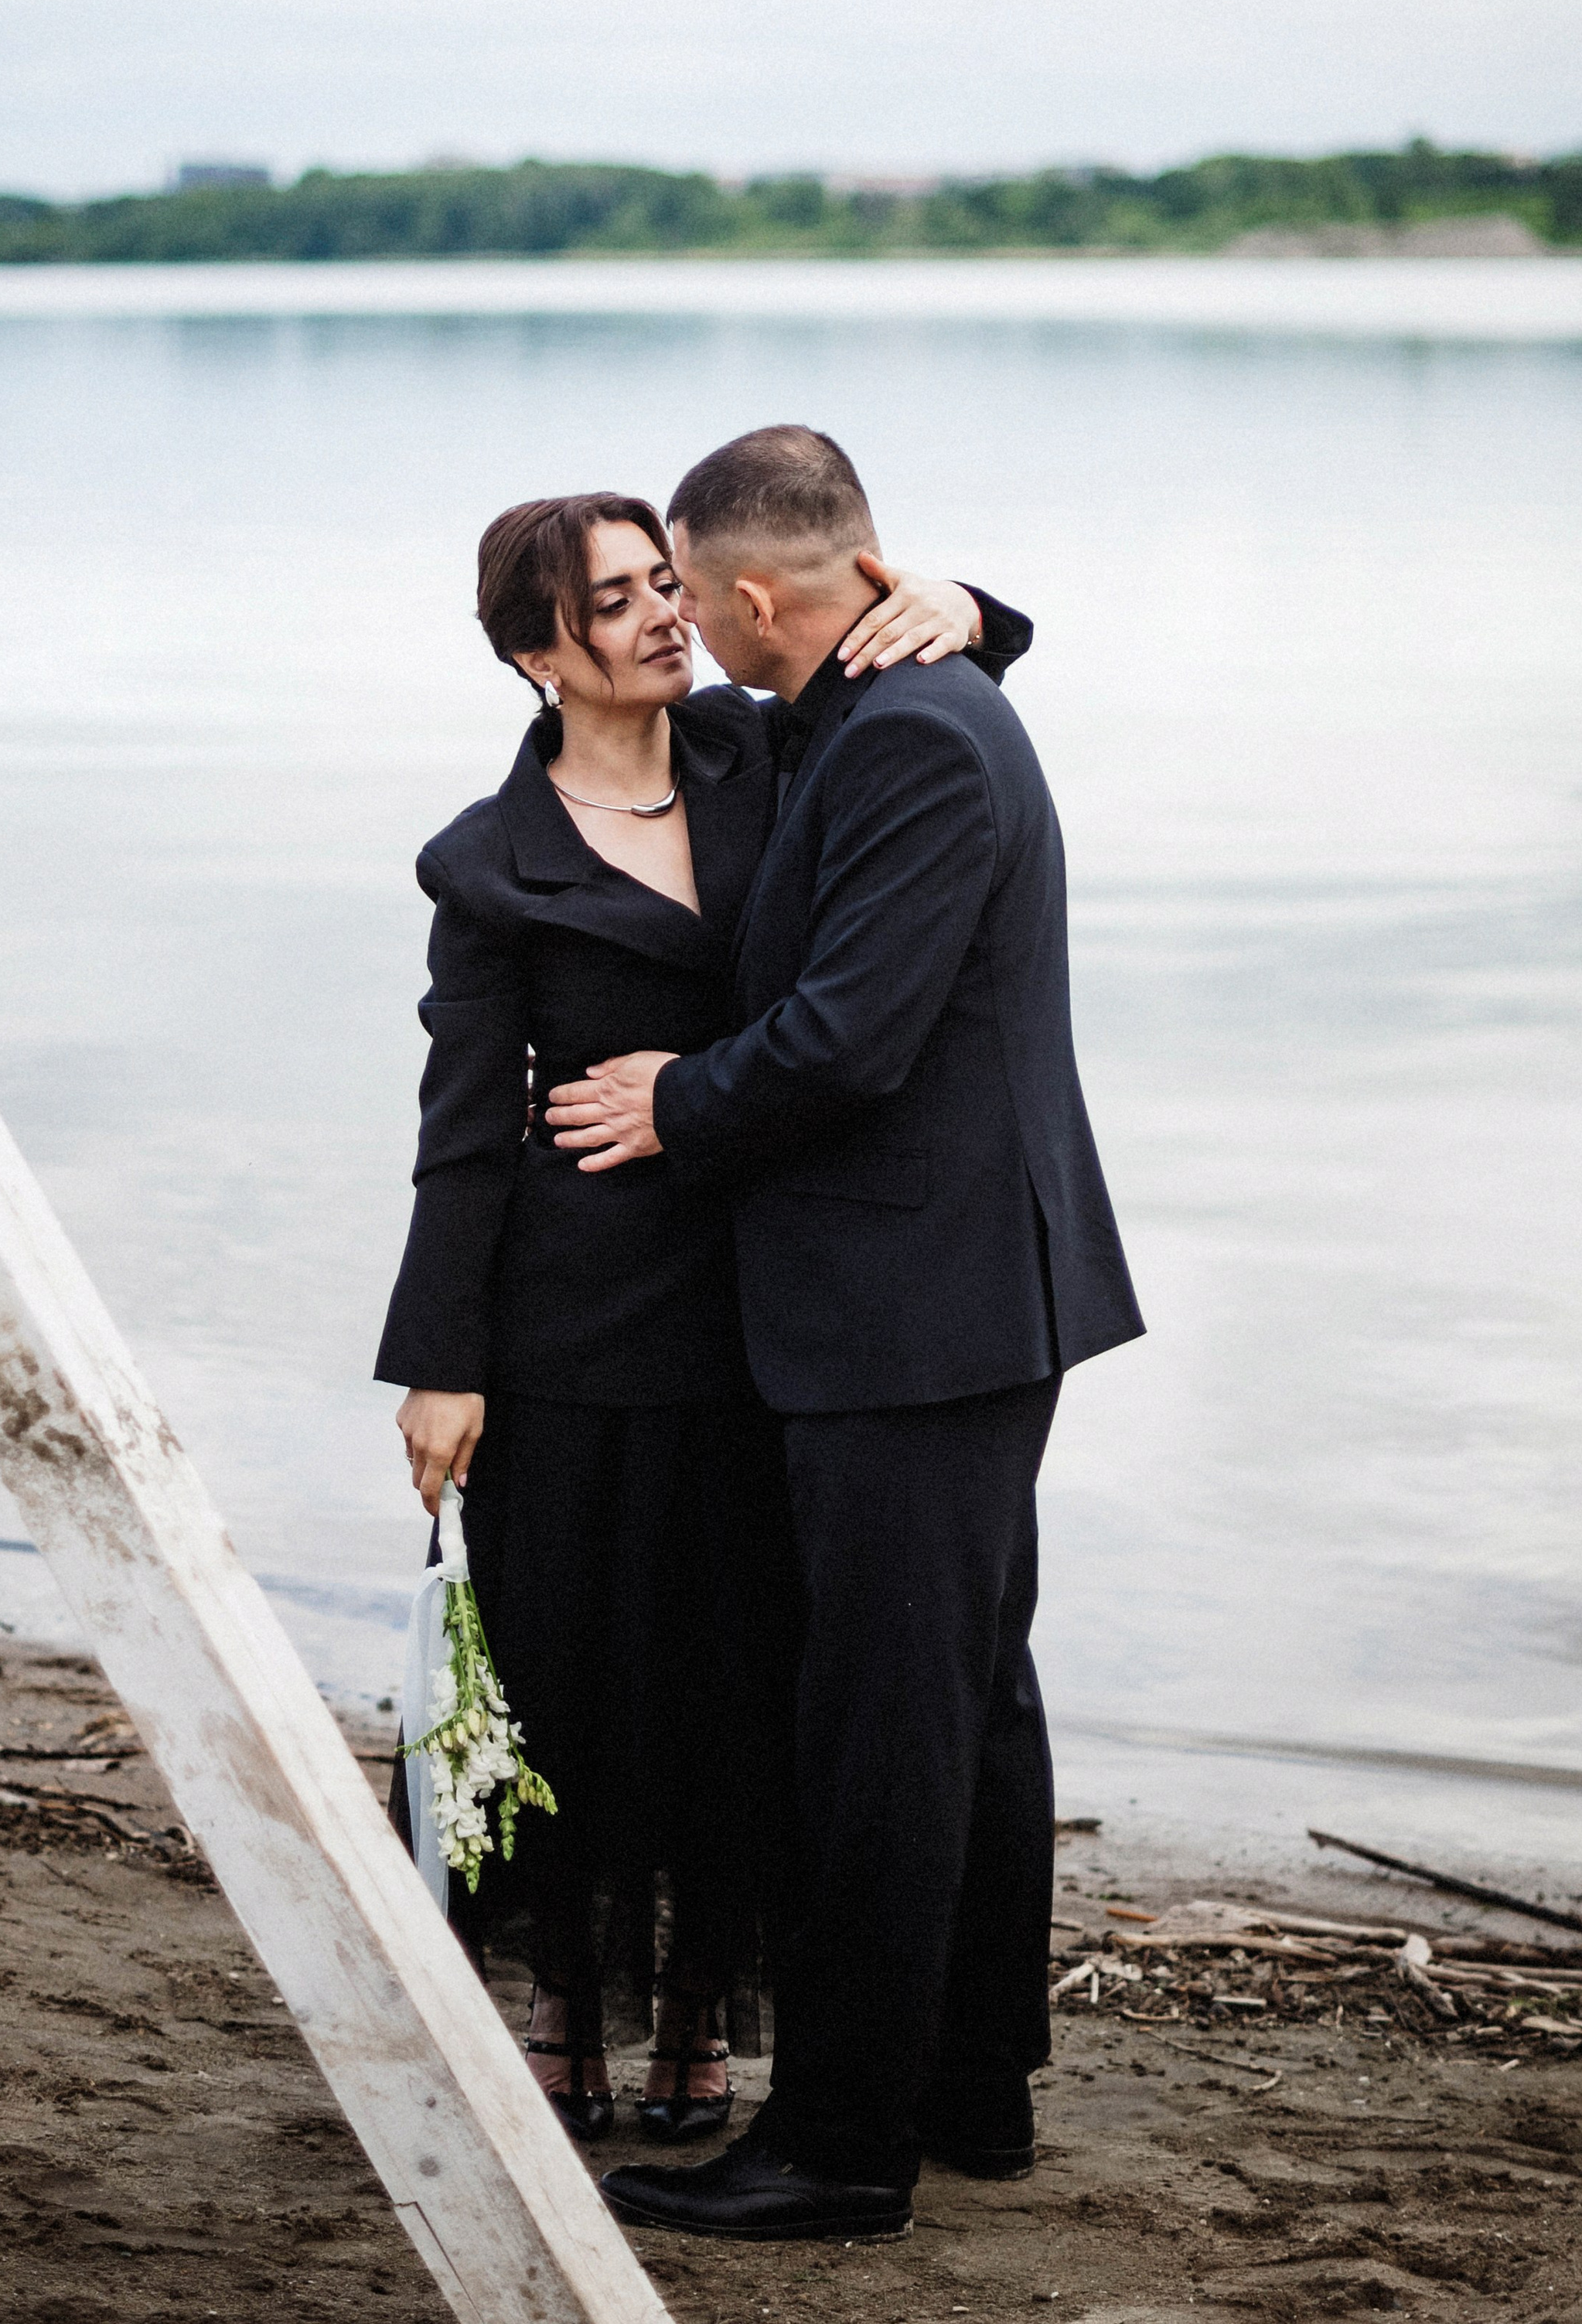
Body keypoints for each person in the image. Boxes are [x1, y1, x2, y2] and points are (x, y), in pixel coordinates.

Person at [542, 426, 1144, 2242]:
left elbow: (847, 1040)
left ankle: (844, 2149)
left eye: (687, 598)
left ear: (742, 597)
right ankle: (970, 2091)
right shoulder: (869, 700)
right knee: (963, 1702)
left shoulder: (907, 739)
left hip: (917, 1308)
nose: (683, 633)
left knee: (880, 1726)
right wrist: (971, 606)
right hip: (950, 1295)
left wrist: (675, 1099)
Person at [376, 489, 1031, 2145]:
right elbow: (462, 1134)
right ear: (538, 656)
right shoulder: (488, 864)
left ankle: (694, 2019)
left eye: (667, 582)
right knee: (577, 1672)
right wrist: (438, 1364)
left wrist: (960, 599)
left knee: (738, 1683)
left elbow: (901, 691)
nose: (664, 615)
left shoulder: (763, 754)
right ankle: (563, 2006)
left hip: (767, 1305)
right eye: (613, 602)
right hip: (578, 1325)